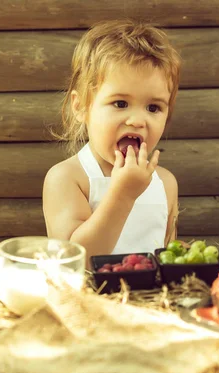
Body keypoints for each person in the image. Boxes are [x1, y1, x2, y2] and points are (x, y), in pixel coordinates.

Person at [43, 19, 181, 258]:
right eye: (120, 103)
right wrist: (123, 194)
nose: (138, 120)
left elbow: (166, 256)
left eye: (153, 108)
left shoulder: (165, 183)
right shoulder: (68, 178)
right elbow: (76, 260)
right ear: (81, 107)